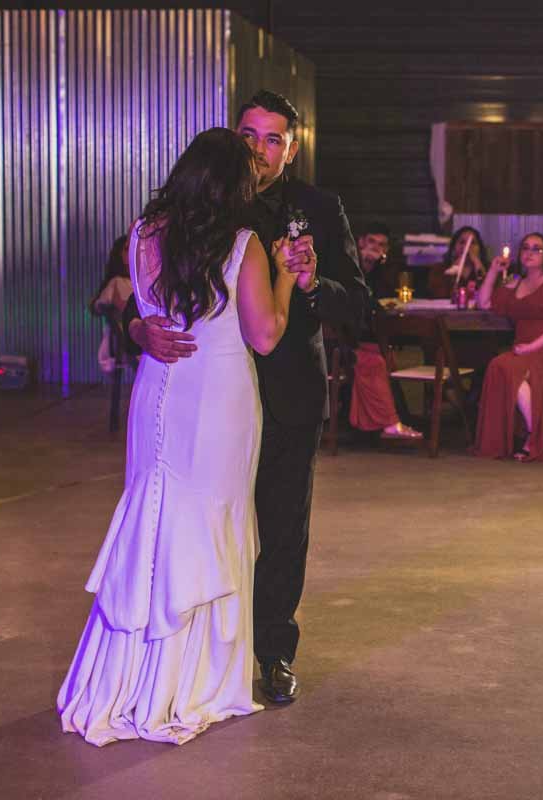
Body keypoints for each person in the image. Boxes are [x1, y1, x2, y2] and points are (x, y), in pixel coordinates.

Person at [122, 90, 367, 705]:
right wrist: (135, 327)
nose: (260, 150)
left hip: (286, 394)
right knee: (203, 522)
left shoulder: (318, 207)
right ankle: (202, 649)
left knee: (281, 528)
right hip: (208, 400)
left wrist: (311, 281)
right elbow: (135, 290)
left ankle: (273, 654)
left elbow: (358, 303)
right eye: (250, 135)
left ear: (293, 146)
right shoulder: (196, 204)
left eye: (273, 138)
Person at [59, 128, 299, 745]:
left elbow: (142, 312)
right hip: (219, 398)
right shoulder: (243, 245)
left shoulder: (143, 234)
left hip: (159, 393)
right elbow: (267, 335)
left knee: (157, 514)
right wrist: (289, 276)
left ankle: (133, 677)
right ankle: (199, 679)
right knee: (212, 522)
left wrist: (140, 331)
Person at [473, 232, 543, 461]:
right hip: (522, 347)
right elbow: (484, 302)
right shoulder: (516, 281)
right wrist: (493, 270)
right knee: (498, 364)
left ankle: (535, 436)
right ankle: (531, 434)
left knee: (510, 368)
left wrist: (533, 347)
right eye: (525, 248)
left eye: (536, 249)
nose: (529, 253)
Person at [350, 222, 421, 439]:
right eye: (372, 242)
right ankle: (389, 423)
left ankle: (392, 419)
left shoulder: (380, 268)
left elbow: (380, 295)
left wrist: (374, 266)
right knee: (375, 359)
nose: (376, 248)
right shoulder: (346, 262)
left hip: (362, 336)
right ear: (361, 242)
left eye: (382, 245)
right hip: (338, 338)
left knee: (384, 354)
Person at [89, 234, 135, 374]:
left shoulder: (141, 281)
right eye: (127, 249)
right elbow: (98, 305)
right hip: (127, 335)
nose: (132, 252)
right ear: (119, 254)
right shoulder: (116, 282)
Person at [427, 225, 488, 299]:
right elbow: (438, 295)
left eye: (473, 243)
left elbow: (490, 296)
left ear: (480, 249)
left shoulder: (490, 270)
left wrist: (479, 268)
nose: (467, 247)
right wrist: (454, 270)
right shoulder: (439, 269)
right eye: (462, 242)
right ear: (453, 248)